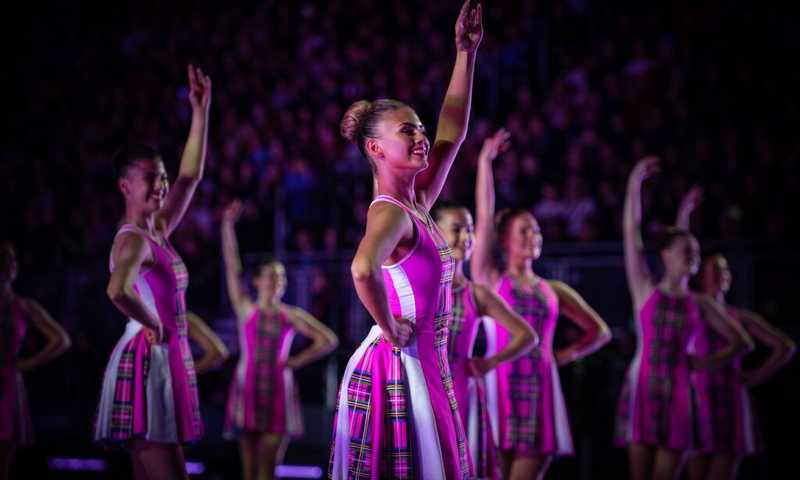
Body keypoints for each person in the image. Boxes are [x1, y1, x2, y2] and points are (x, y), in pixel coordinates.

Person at [329, 2, 482, 477]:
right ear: (376, 148)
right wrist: (388, 326)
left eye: (419, 128)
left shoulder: (418, 202)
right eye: (407, 130)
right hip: (402, 367)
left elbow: (453, 133)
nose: (421, 136)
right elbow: (361, 269)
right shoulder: (391, 213)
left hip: (427, 364)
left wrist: (465, 54)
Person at [472, 129, 612, 480]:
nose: (533, 236)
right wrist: (485, 163)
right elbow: (485, 219)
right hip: (499, 385)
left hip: (539, 389)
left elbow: (600, 332)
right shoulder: (491, 278)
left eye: (536, 230)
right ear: (505, 239)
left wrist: (562, 356)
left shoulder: (554, 290)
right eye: (525, 230)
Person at [94, 65, 211, 480]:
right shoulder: (134, 241)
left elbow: (189, 176)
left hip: (160, 354)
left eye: (161, 177)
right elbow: (117, 290)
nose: (161, 185)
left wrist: (200, 110)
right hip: (150, 356)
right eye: (151, 178)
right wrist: (152, 322)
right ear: (125, 186)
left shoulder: (156, 230)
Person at [615, 157, 754, 480]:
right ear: (666, 255)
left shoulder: (700, 303)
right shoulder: (645, 289)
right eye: (686, 250)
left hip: (680, 393)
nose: (693, 256)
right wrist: (634, 184)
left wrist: (705, 363)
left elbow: (742, 342)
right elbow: (631, 232)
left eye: (695, 251)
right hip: (644, 387)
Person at [675, 188, 797, 480]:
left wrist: (754, 377)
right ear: (702, 276)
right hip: (697, 398)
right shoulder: (694, 308)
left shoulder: (739, 317)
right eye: (714, 270)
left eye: (725, 270)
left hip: (729, 398)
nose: (720, 275)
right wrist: (685, 212)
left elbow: (785, 346)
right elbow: (680, 255)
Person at [221, 200, 338, 480]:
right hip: (248, 387)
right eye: (272, 276)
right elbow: (232, 267)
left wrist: (296, 361)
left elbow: (328, 339)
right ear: (257, 281)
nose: (277, 282)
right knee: (248, 473)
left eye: (281, 277)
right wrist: (227, 226)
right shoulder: (246, 309)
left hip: (278, 390)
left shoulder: (290, 315)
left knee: (267, 471)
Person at [433, 201, 538, 480]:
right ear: (434, 232)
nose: (466, 237)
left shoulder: (476, 294)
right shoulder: (422, 286)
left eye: (470, 230)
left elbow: (527, 335)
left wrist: (490, 362)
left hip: (462, 392)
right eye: (457, 229)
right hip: (425, 390)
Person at [0, 242, 71, 480]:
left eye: (12, 261)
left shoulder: (23, 306)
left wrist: (29, 363)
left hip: (8, 381)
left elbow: (62, 339)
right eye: (6, 261)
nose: (11, 266)